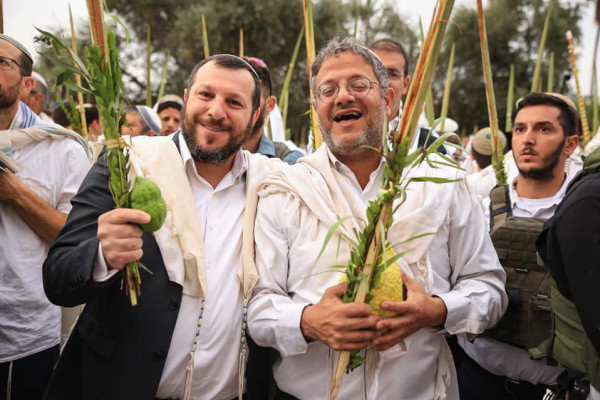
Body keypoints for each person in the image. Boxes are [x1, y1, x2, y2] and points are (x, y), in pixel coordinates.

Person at [247, 37, 507, 400]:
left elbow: (490, 290)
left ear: (388, 99)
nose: (343, 96)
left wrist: (436, 310)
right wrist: (308, 322)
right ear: (317, 108)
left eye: (358, 85)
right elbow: (259, 307)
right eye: (328, 90)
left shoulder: (441, 185)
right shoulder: (286, 190)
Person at [43, 54, 283, 400]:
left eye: (234, 102)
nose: (216, 111)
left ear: (255, 116)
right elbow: (58, 278)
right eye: (205, 95)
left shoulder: (271, 184)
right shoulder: (128, 163)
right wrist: (101, 256)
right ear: (186, 98)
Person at [457, 92, 581, 400]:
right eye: (521, 129)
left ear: (570, 144)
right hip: (475, 381)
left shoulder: (583, 212)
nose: (528, 139)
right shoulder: (480, 208)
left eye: (543, 128)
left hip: (554, 390)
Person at [0, 34, 90, 400]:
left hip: (26, 331)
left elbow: (76, 238)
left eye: (1, 63)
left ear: (27, 85)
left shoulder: (61, 148)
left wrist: (15, 193)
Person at [369, 38, 445, 154]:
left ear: (405, 84)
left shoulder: (430, 147)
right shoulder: (344, 137)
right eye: (376, 72)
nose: (383, 81)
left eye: (392, 74)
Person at [242, 57, 302, 165]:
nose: (242, 105)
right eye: (233, 100)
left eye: (252, 98)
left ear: (270, 104)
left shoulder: (288, 161)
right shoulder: (212, 154)